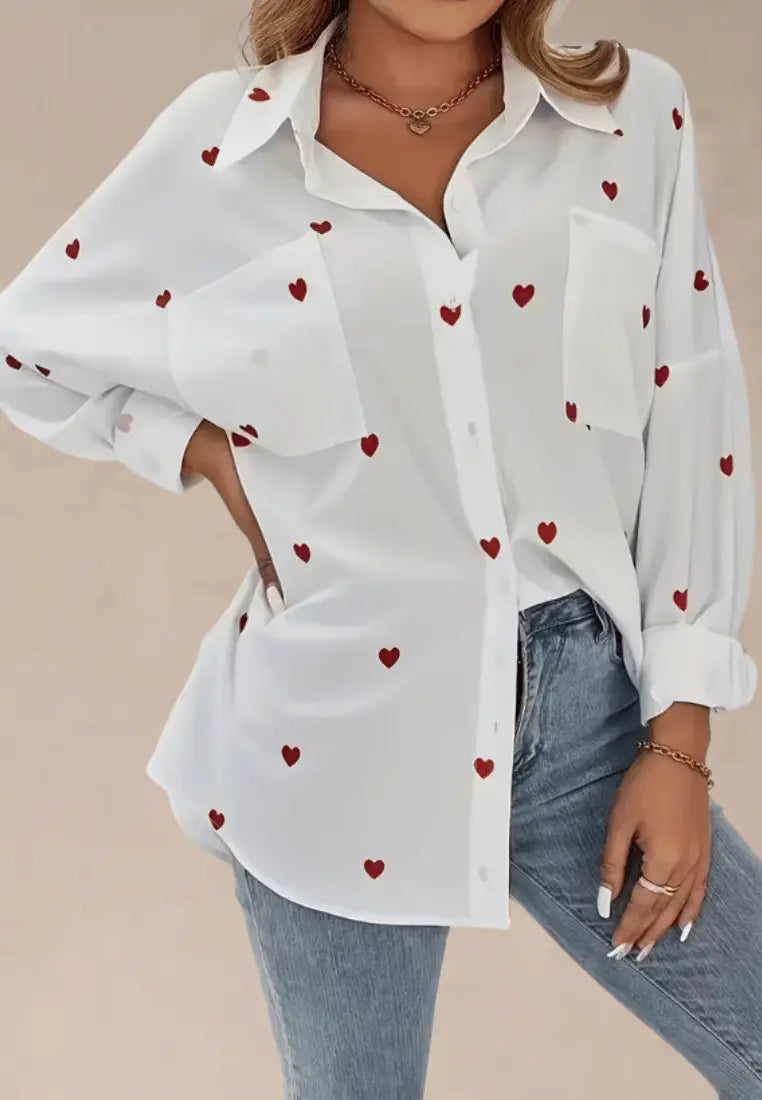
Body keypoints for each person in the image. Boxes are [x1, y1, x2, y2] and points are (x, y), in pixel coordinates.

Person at [1, 0, 761, 1096]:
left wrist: (680, 739)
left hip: (589, 716)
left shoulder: (631, 115)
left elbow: (692, 405)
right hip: (339, 728)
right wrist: (199, 449)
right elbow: (26, 346)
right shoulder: (225, 143)